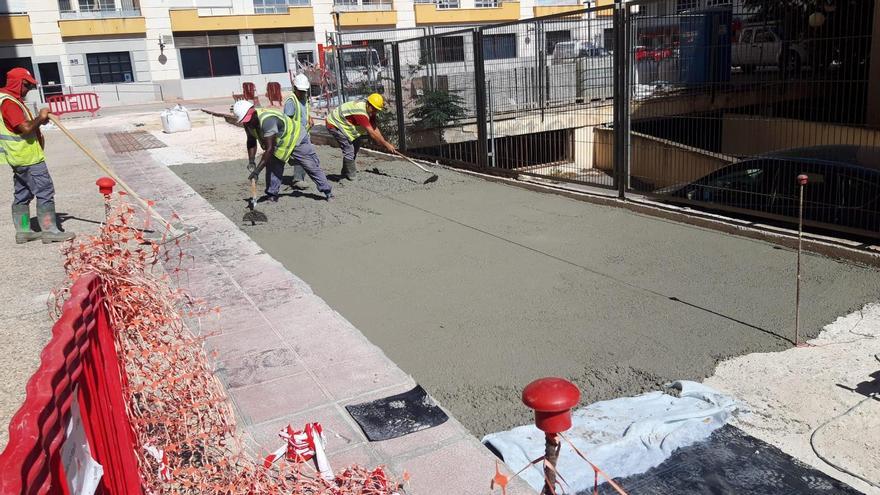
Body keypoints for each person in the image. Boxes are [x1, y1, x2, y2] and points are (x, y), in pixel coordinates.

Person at [1, 67, 74, 243]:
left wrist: (39, 121)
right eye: (27, 86)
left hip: (18, 158)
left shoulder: (9, 100)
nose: (29, 90)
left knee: (23, 194)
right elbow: (25, 128)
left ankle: (24, 230)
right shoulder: (9, 103)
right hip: (29, 158)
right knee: (45, 192)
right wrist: (40, 118)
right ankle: (49, 230)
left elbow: (24, 125)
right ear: (19, 83)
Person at [233, 99, 332, 202]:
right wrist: (252, 161)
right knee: (273, 166)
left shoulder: (268, 120)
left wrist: (257, 172)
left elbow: (269, 149)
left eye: (248, 119)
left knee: (310, 165)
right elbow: (251, 140)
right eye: (245, 121)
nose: (248, 123)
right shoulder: (248, 123)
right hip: (280, 143)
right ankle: (272, 194)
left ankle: (327, 191)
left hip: (296, 137)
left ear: (253, 112)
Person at [325, 93, 396, 182]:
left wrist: (385, 142)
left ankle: (346, 172)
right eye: (373, 109)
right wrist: (386, 144)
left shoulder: (370, 110)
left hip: (344, 125)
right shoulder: (361, 112)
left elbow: (374, 128)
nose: (374, 112)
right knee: (349, 149)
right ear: (368, 104)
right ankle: (351, 176)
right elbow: (371, 133)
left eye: (376, 110)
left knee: (356, 143)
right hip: (334, 124)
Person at [283, 74, 332, 197]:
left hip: (304, 133)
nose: (303, 93)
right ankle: (298, 180)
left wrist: (309, 118)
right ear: (295, 88)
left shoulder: (304, 98)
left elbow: (304, 110)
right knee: (304, 158)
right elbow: (287, 121)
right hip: (295, 135)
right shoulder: (291, 101)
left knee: (303, 158)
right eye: (300, 91)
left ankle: (298, 178)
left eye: (304, 91)